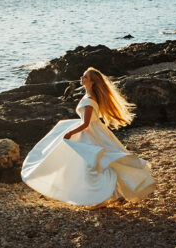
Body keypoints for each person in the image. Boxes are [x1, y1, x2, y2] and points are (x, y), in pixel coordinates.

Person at [21, 67, 155, 206]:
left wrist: (70, 133)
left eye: (85, 77)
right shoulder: (91, 96)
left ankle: (104, 194)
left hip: (90, 132)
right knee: (97, 163)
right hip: (95, 130)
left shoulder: (90, 99)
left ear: (91, 82)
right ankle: (111, 193)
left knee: (95, 164)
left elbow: (85, 124)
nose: (81, 78)